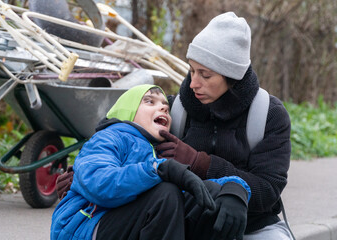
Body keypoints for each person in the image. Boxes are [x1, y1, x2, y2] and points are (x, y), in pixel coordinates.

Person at [155, 12, 293, 239]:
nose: (193, 84)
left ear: (233, 76)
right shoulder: (175, 109)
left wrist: (200, 163)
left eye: (205, 75)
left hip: (253, 226)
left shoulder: (269, 114)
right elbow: (127, 136)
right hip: (186, 224)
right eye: (191, 71)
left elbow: (268, 189)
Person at [51, 84, 251, 240]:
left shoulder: (160, 152)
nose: (163, 106)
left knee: (212, 196)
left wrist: (235, 189)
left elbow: (195, 189)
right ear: (127, 111)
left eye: (165, 105)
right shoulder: (109, 138)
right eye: (149, 101)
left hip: (127, 223)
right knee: (166, 194)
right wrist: (159, 169)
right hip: (84, 228)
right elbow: (98, 183)